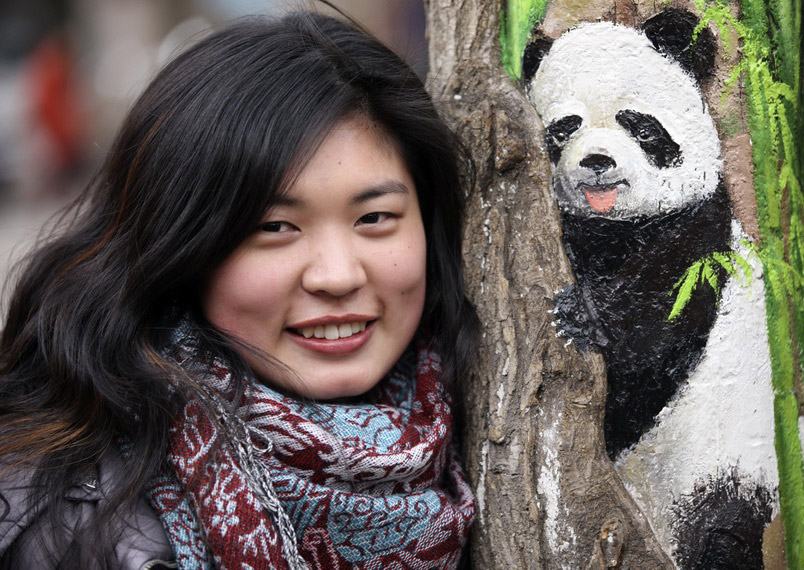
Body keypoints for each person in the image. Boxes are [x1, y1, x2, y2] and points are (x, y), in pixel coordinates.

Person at [0, 11, 478, 569]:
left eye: (374, 217)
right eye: (275, 227)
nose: (337, 276)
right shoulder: (69, 522)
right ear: (182, 245)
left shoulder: (469, 431)